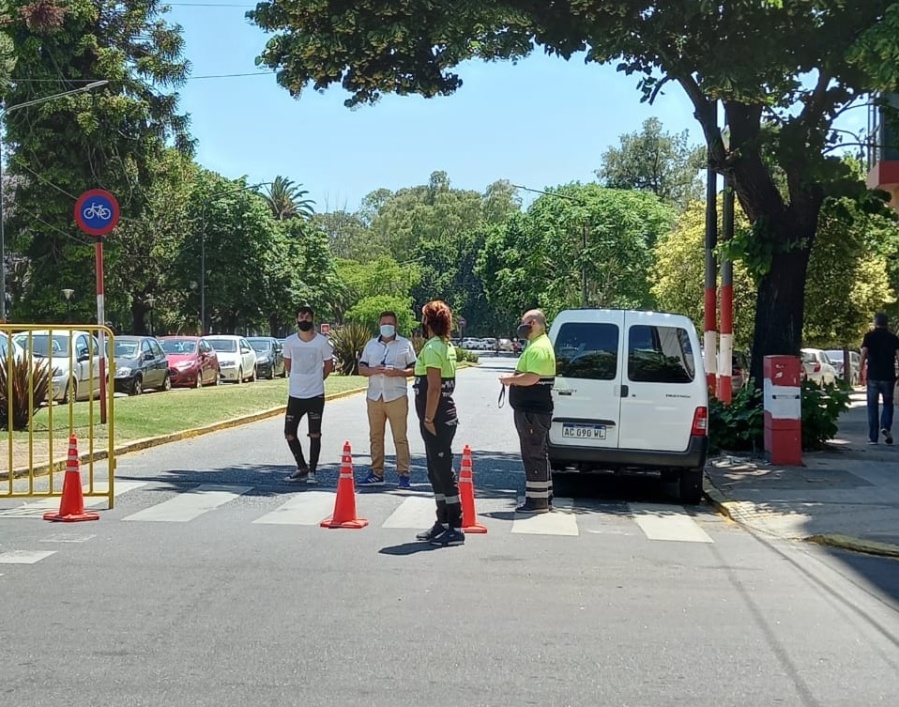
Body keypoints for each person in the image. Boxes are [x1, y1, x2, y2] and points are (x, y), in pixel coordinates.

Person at [413, 300, 463, 547]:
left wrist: (429, 418)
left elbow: (434, 388)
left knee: (443, 471)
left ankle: (455, 525)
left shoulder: (433, 347)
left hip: (438, 418)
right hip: (441, 416)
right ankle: (442, 521)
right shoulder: (445, 345)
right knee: (434, 472)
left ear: (428, 322)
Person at [500, 309, 556, 514]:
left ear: (532, 323)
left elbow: (531, 377)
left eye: (524, 323)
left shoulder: (539, 348)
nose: (521, 327)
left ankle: (537, 502)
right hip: (533, 411)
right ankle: (544, 497)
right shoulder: (538, 345)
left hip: (532, 412)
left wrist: (511, 379)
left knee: (533, 454)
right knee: (538, 452)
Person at [358, 311, 417, 489]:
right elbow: (362, 367)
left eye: (390, 323)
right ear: (379, 324)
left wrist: (398, 372)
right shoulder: (371, 345)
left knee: (400, 437)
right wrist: (373, 370)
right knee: (375, 436)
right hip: (375, 395)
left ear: (396, 325)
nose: (387, 326)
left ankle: (404, 473)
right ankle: (376, 472)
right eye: (384, 323)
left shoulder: (405, 344)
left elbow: (415, 368)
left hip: (396, 396)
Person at [283, 306, 334, 483]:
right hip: (295, 395)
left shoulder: (321, 342)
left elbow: (328, 366)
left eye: (307, 316)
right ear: (296, 320)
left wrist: (318, 380)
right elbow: (288, 365)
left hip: (315, 395)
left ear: (312, 319)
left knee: (315, 433)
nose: (304, 319)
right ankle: (301, 466)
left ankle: (312, 470)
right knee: (289, 432)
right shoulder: (289, 342)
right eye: (300, 317)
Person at [859, 312, 899, 445]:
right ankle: (885, 426)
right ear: (887, 323)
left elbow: (864, 353)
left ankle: (873, 437)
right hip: (888, 376)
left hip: (873, 376)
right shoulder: (893, 338)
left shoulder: (869, 336)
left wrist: (860, 371)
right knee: (888, 403)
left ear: (875, 323)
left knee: (872, 406)